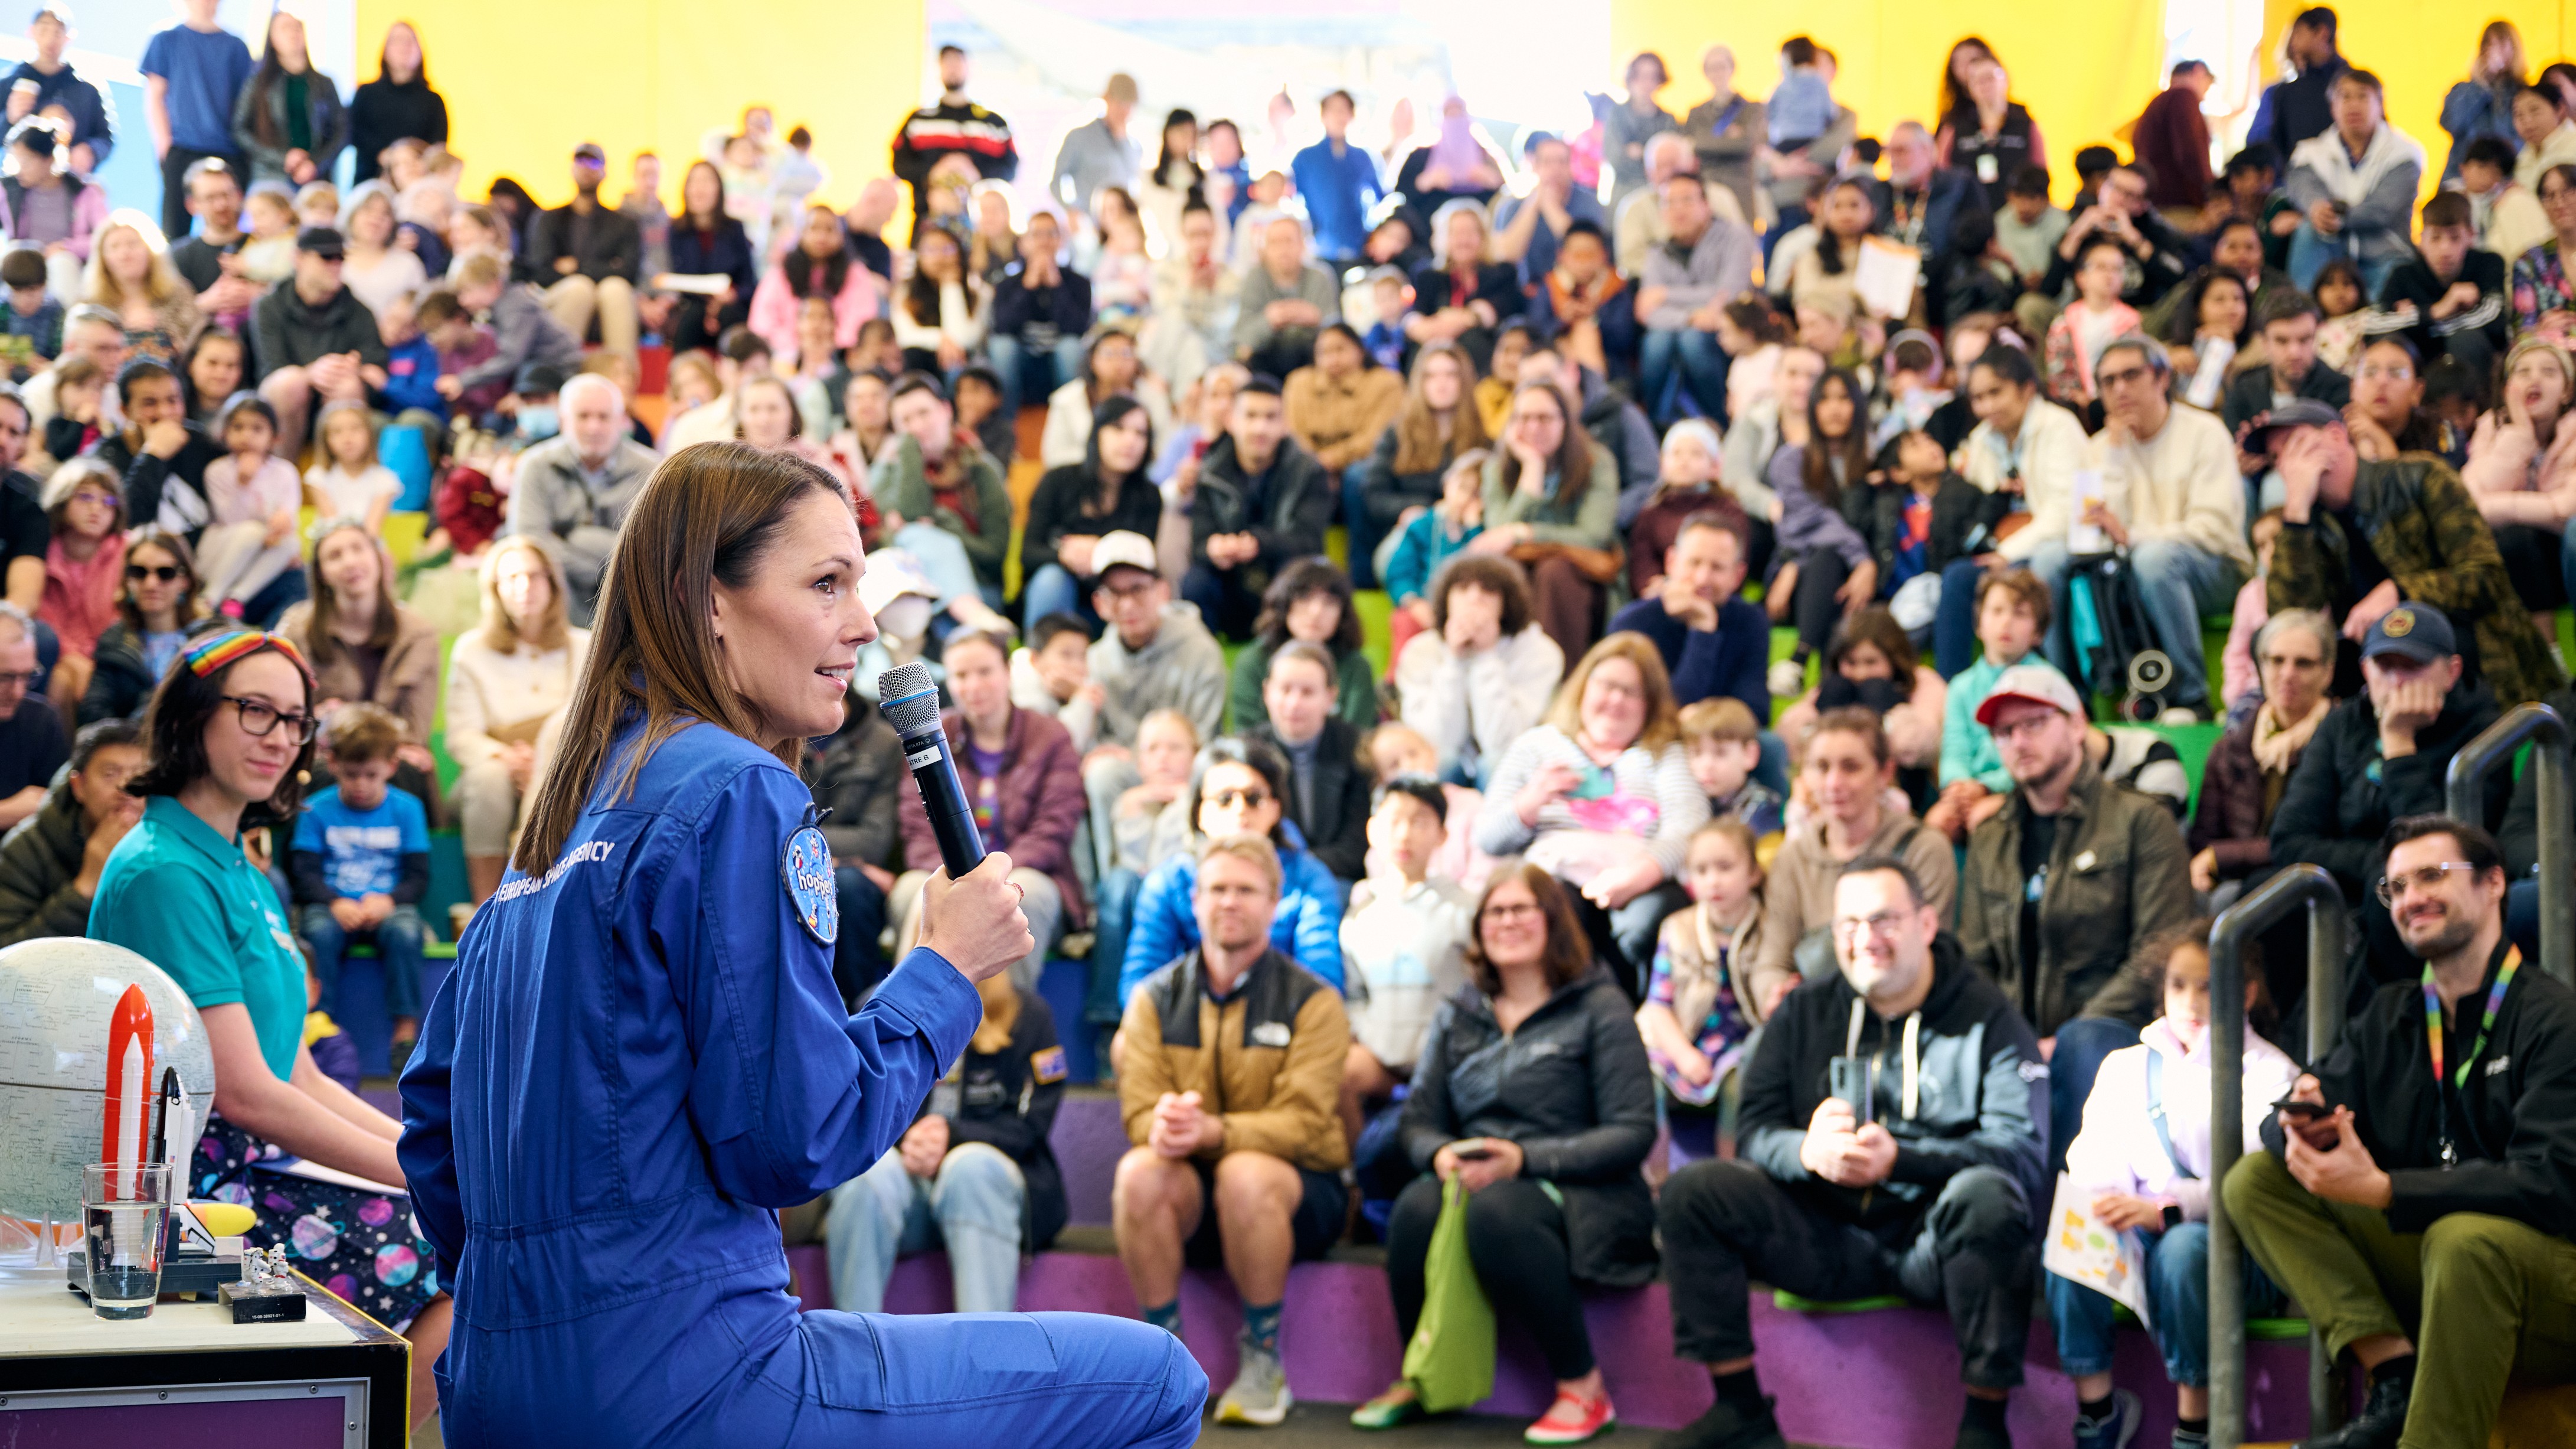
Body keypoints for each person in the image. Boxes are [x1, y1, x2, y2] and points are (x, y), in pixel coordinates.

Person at [401, 442, 1202, 1443]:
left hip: (495, 1380)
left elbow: (432, 1124)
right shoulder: (737, 788)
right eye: (827, 582)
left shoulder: (553, 810)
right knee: (1155, 1378)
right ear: (709, 604)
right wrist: (945, 969)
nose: (863, 624)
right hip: (690, 1379)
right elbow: (798, 1135)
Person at [92, 628, 450, 1419]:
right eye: (257, 710)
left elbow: (299, 1071)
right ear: (191, 715)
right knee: (461, 1248)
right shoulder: (165, 870)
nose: (283, 737)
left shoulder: (243, 866)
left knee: (461, 1223)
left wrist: (424, 1156)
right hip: (192, 1189)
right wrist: (434, 1179)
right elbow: (248, 1094)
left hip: (257, 1155)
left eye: (296, 721)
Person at [1656, 854, 2045, 1449]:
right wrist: (1806, 1152)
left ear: (1925, 924)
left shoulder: (1988, 1017)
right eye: (1848, 926)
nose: (1865, 940)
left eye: (1884, 921)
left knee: (1989, 1197)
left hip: (1929, 1242)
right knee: (1694, 1190)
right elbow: (1756, 1130)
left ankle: (1984, 1425)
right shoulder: (1803, 1012)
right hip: (1819, 1230)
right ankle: (1739, 1410)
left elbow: (2020, 1155)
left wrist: (1902, 1160)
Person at [2223, 815, 2576, 1449]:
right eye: (2395, 886)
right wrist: (2304, 1125)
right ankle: (2394, 1374)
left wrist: (2386, 1189)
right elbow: (2293, 1117)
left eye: (2432, 875)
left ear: (2494, 884)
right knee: (2253, 1180)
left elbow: (2548, 1185)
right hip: (2443, 1272)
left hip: (2550, 1291)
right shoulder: (2390, 1015)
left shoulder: (2553, 1018)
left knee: (2462, 1239)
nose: (2411, 897)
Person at [1352, 861, 1655, 1443]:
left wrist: (1522, 1160)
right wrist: (1440, 1153)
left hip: (1587, 1189)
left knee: (1499, 1210)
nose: (1506, 922)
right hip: (1476, 1176)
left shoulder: (1599, 1006)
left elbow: (1631, 1131)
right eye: (1494, 911)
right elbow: (1418, 1120)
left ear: (1553, 922)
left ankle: (1583, 1388)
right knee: (1416, 1205)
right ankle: (1424, 1374)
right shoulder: (1459, 1011)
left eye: (1521, 909)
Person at [1113, 832, 1348, 1426]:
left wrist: (1216, 1132)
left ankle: (1263, 1356)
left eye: (1246, 890)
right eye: (1217, 889)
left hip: (1299, 1196)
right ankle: (1160, 1362)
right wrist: (1162, 1129)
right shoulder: (1153, 997)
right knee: (1138, 1171)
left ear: (1275, 902)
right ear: (1194, 900)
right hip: (1195, 1196)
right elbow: (1139, 1112)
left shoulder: (1313, 1001)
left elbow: (1303, 1123)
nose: (1229, 902)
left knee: (1245, 1174)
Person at [2049, 920, 2300, 1449]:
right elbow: (2096, 1151)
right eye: (2178, 985)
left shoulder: (2271, 1073)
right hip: (2143, 1234)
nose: (2190, 1001)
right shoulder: (2126, 1065)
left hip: (2234, 1248)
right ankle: (2098, 1416)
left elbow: (2253, 1180)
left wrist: (2163, 1210)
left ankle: (2196, 1425)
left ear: (2246, 992)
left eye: (2209, 986)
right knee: (2072, 1231)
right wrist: (2104, 1201)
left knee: (2185, 1248)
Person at [1956, 664, 2184, 1163]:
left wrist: (2061, 1039)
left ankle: (2069, 1219)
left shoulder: (2142, 821)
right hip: (2018, 1039)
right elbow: (1974, 961)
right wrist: (2012, 1039)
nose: (2018, 741)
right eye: (2004, 732)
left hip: (2116, 1034)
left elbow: (2160, 953)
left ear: (2078, 725)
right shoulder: (1991, 837)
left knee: (2084, 1044)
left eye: (2034, 724)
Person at [2254, 400, 2564, 709]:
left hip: (2474, 660)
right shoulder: (2308, 525)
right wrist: (2295, 513)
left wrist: (2399, 592)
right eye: (2277, 457)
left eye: (2297, 445)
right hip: (2373, 673)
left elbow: (2485, 576)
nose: (2288, 465)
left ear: (2337, 436)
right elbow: (2288, 620)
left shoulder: (2420, 476)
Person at [823, 958, 1068, 1319]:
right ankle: (854, 1355)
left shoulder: (1029, 1015)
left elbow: (1031, 1127)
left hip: (990, 1198)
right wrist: (912, 1140)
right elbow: (852, 1109)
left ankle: (986, 1363)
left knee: (969, 1167)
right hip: (908, 1199)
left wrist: (952, 1138)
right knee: (868, 1175)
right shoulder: (881, 1006)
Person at [1473, 632, 1707, 996]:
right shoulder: (1537, 746)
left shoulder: (1663, 753)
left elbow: (1689, 830)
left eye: (1631, 692)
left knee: (1651, 918)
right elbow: (1488, 838)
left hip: (1640, 876)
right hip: (1556, 876)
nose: (1616, 700)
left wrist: (1633, 878)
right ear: (1583, 688)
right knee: (1555, 909)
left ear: (1650, 703)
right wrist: (1530, 801)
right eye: (1607, 686)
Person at [2036, 337, 2250, 714]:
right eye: (2108, 381)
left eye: (2131, 375)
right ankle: (2068, 701)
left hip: (2215, 569)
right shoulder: (2101, 447)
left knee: (2153, 559)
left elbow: (2214, 531)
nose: (2119, 388)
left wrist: (2132, 539)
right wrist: (2116, 455)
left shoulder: (2205, 432)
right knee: (2048, 561)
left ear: (2162, 377)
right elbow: (2095, 532)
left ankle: (2192, 697)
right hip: (2131, 571)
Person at [884, 628, 1084, 993]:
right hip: (951, 874)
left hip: (1025, 872)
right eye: (961, 675)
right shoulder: (927, 733)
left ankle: (1005, 1036)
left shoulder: (1050, 736)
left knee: (1028, 893)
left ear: (1008, 672)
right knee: (911, 890)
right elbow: (917, 829)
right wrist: (963, 884)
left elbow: (1054, 829)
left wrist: (991, 881)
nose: (973, 686)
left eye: (985, 672)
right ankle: (916, 1025)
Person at [443, 536, 588, 906]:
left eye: (535, 576)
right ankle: (485, 908)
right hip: (497, 768)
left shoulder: (585, 645)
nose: (525, 588)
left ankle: (547, 896)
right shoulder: (472, 650)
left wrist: (544, 764)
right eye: (512, 579)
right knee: (487, 781)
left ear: (553, 583)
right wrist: (511, 760)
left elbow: (592, 723)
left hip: (567, 767)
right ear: (495, 589)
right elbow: (462, 737)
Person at [289, 701, 430, 1066]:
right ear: (333, 764)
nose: (361, 785)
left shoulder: (407, 808)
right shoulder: (316, 808)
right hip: (333, 906)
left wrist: (389, 900)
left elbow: (418, 876)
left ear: (391, 767)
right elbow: (304, 872)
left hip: (387, 907)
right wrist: (335, 902)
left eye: (371, 774)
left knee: (406, 932)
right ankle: (320, 1025)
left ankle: (405, 1030)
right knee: (317, 932)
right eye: (351, 774)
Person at [1333, 776, 1473, 1139]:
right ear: (1372, 830)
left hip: (1448, 1062)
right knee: (1336, 1071)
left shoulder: (1463, 908)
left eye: (1420, 822)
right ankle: (1353, 1181)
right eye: (1393, 821)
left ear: (1442, 835)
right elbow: (1355, 993)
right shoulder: (1358, 914)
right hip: (1380, 1061)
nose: (1405, 834)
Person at [2190, 609, 2337, 905]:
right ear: (2260, 666)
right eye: (2277, 660)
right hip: (2237, 879)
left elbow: (2320, 842)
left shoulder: (2343, 743)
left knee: (2227, 900)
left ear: (2328, 672)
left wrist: (2224, 856)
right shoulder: (2230, 748)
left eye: (2304, 663)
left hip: (2313, 884)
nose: (2288, 674)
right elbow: (2202, 842)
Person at [1474, 379, 1619, 658]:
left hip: (1583, 574)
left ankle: (1561, 681)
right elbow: (1498, 534)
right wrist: (1532, 470)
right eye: (1523, 418)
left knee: (1554, 572)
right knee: (1505, 574)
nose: (1534, 427)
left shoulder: (1597, 462)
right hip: (1523, 570)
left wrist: (1527, 533)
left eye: (1545, 418)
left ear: (1565, 421)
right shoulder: (1497, 468)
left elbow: (1594, 535)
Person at [276, 518, 439, 765]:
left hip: (392, 759)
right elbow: (286, 718)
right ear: (321, 574)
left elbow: (415, 731)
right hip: (322, 757)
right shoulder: (297, 630)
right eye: (335, 556)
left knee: (410, 765)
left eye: (358, 549)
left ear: (378, 558)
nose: (350, 562)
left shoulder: (419, 634)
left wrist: (340, 717)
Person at [1185, 374, 1331, 641]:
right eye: (1250, 416)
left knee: (1300, 572)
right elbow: (1198, 542)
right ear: (1231, 421)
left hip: (1281, 576)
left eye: (1271, 417)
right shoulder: (1210, 470)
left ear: (1285, 424)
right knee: (1196, 582)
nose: (1260, 428)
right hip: (1230, 584)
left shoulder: (1309, 472)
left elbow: (1310, 541)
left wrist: (1258, 544)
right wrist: (1214, 548)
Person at [504, 373, 657, 627]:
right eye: (583, 416)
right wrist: (601, 572)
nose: (593, 427)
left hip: (630, 595)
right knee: (535, 574)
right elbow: (529, 541)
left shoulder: (652, 471)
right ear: (563, 421)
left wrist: (577, 542)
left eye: (603, 417)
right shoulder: (535, 465)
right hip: (559, 591)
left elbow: (654, 550)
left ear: (622, 421)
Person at [1761, 368, 1877, 695]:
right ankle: (1804, 662)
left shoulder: (1874, 462)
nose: (1835, 408)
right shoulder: (1791, 461)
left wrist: (1867, 566)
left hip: (1858, 582)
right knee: (1827, 556)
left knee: (1835, 560)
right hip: (1797, 570)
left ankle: (1825, 683)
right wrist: (1862, 560)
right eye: (1825, 399)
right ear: (1812, 408)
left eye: (1844, 399)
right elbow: (1805, 525)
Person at [1346, 340, 1486, 590]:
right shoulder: (1397, 433)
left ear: (1464, 380)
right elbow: (1374, 494)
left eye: (1451, 375)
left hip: (1462, 535)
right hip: (1412, 533)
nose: (1441, 383)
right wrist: (1412, 510)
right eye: (1431, 376)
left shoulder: (1483, 438)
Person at [1606, 511, 1769, 723]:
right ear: (1671, 562)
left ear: (1738, 576)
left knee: (1770, 746)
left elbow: (1755, 711)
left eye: (1717, 567)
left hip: (1720, 744)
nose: (1703, 579)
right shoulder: (1632, 623)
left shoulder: (1751, 621)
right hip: (1648, 742)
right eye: (1694, 563)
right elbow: (1657, 715)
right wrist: (1702, 631)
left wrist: (1704, 721)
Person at [2460, 335, 2576, 632]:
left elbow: (2566, 511)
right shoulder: (2491, 427)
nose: (2534, 379)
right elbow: (2467, 502)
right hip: (2518, 558)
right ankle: (2546, 654)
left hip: (2567, 554)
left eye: (2549, 372)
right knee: (2514, 539)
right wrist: (2520, 435)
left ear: (2567, 391)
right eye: (2523, 372)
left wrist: (2495, 506)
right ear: (2507, 389)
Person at [872, 372, 1012, 609]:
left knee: (919, 534)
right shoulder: (886, 475)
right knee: (916, 535)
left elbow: (995, 554)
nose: (916, 427)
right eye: (905, 421)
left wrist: (941, 528)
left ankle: (968, 612)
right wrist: (909, 453)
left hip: (979, 586)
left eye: (924, 413)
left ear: (946, 410)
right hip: (910, 593)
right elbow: (912, 513)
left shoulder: (981, 469)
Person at [1022, 396, 1162, 625]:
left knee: (1137, 588)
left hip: (1115, 598)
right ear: (1097, 432)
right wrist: (1064, 555)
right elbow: (1028, 553)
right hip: (1059, 592)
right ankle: (1045, 654)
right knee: (1052, 579)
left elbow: (1144, 561)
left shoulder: (1149, 495)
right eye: (1118, 428)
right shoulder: (1058, 480)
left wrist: (1100, 552)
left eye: (1141, 433)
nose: (1130, 441)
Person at [249, 227, 387, 459]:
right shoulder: (270, 306)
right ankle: (282, 476)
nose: (335, 265)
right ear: (299, 258)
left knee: (348, 385)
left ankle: (339, 484)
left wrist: (354, 369)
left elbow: (378, 373)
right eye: (326, 257)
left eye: (340, 258)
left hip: (336, 401)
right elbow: (272, 368)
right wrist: (311, 373)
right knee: (289, 383)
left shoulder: (359, 311)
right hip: (287, 402)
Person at [2283, 70, 2425, 294]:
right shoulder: (2309, 152)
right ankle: (2303, 312)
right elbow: (2302, 187)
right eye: (2345, 97)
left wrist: (2336, 216)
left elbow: (2382, 210)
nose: (2353, 105)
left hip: (2385, 255)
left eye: (2362, 96)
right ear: (2332, 107)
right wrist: (2315, 208)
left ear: (2380, 105)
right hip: (2331, 256)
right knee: (2308, 230)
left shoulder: (2405, 154)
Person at [0, 714, 138, 943]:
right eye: (109, 774)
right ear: (78, 786)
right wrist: (85, 887)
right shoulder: (28, 847)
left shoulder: (165, 845)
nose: (126, 787)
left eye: (140, 775)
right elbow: (7, 953)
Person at [1636, 175, 1753, 429]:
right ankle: (1656, 427)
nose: (1678, 209)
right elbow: (1647, 311)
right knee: (1657, 342)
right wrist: (1690, 317)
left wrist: (1666, 295)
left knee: (1693, 341)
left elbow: (1731, 293)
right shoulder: (1658, 252)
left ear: (1706, 205)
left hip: (1726, 329)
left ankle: (1721, 422)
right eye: (1669, 202)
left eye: (1687, 200)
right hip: (1685, 327)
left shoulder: (1735, 237)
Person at [77, 524, 217, 725]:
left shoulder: (212, 637)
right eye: (139, 572)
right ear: (127, 580)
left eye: (165, 573)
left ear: (185, 581)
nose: (151, 584)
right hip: (133, 747)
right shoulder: (114, 640)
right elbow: (92, 715)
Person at [139, 0, 253, 244]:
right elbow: (155, 97)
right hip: (182, 148)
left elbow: (246, 104)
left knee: (231, 232)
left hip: (228, 151)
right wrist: (165, 147)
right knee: (175, 233)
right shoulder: (166, 40)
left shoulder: (236, 47)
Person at [524, 143, 643, 357]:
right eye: (581, 162)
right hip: (561, 298)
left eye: (593, 163)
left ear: (604, 172)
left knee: (615, 289)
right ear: (572, 168)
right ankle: (558, 373)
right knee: (580, 289)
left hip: (608, 298)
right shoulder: (549, 220)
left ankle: (622, 376)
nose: (587, 168)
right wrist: (606, 268)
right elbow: (542, 271)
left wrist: (577, 266)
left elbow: (628, 272)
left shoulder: (623, 224)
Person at [891, 44, 1018, 223]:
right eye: (947, 63)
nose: (953, 69)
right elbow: (899, 163)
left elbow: (1010, 168)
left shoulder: (993, 123)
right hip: (928, 219)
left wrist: (976, 174)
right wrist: (933, 172)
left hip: (982, 223)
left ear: (969, 67)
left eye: (958, 63)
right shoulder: (919, 121)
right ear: (939, 69)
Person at [985, 208, 1089, 422]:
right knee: (1002, 347)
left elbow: (1077, 328)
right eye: (1037, 234)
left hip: (1060, 361)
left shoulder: (1079, 283)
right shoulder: (1007, 283)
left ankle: (1072, 427)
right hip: (1022, 363)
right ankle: (1005, 430)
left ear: (1061, 240)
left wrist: (1057, 286)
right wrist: (1028, 287)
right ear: (1024, 243)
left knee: (1070, 349)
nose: (1044, 241)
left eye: (1051, 234)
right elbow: (1003, 326)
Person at [228, 10, 343, 187]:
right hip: (271, 177)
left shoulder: (324, 84)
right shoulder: (257, 84)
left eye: (297, 27)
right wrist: (284, 159)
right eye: (284, 28)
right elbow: (240, 131)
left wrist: (316, 164)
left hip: (316, 178)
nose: (292, 34)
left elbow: (340, 132)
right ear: (272, 38)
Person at [1283, 322, 1400, 484]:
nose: (1333, 360)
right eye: (1324, 352)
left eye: (1340, 350)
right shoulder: (1299, 383)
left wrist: (1331, 460)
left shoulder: (1386, 383)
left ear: (1360, 351)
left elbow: (1375, 438)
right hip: (1309, 464)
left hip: (1360, 464)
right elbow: (1295, 432)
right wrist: (1313, 464)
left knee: (1357, 475)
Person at [1232, 214, 1339, 381]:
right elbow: (1243, 338)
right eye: (1275, 243)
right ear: (1264, 249)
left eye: (1288, 241)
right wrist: (1270, 320)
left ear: (1303, 244)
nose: (1283, 250)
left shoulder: (1321, 277)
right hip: (1264, 368)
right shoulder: (1254, 278)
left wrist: (1316, 319)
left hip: (1314, 368)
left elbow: (1337, 334)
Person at [1287, 89, 1382, 272]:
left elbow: (1381, 198)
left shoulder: (1362, 157)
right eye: (1334, 110)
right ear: (1323, 116)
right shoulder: (1306, 157)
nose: (1339, 116)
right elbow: (1290, 198)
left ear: (1351, 116)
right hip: (1319, 249)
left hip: (1358, 247)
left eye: (1344, 110)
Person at [347, 21, 443, 184]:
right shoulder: (366, 93)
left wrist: (408, 161)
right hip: (370, 180)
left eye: (410, 41)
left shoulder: (433, 101)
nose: (404, 47)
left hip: (416, 184)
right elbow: (353, 131)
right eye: (397, 41)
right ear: (385, 51)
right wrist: (383, 155)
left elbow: (437, 146)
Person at [1048, 73, 1141, 218]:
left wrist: (1122, 140)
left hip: (1121, 225)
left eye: (1129, 106)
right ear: (1106, 98)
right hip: (1089, 223)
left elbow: (1134, 178)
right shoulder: (1079, 137)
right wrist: (1071, 211)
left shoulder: (1134, 146)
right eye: (1120, 104)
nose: (1124, 112)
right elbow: (1056, 180)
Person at [2134, 61, 2218, 217]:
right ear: (2199, 72)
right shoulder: (2183, 97)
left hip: (2156, 201)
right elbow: (2190, 154)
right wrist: (2209, 196)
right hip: (2178, 206)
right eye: (2209, 84)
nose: (2205, 94)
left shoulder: (2159, 101)